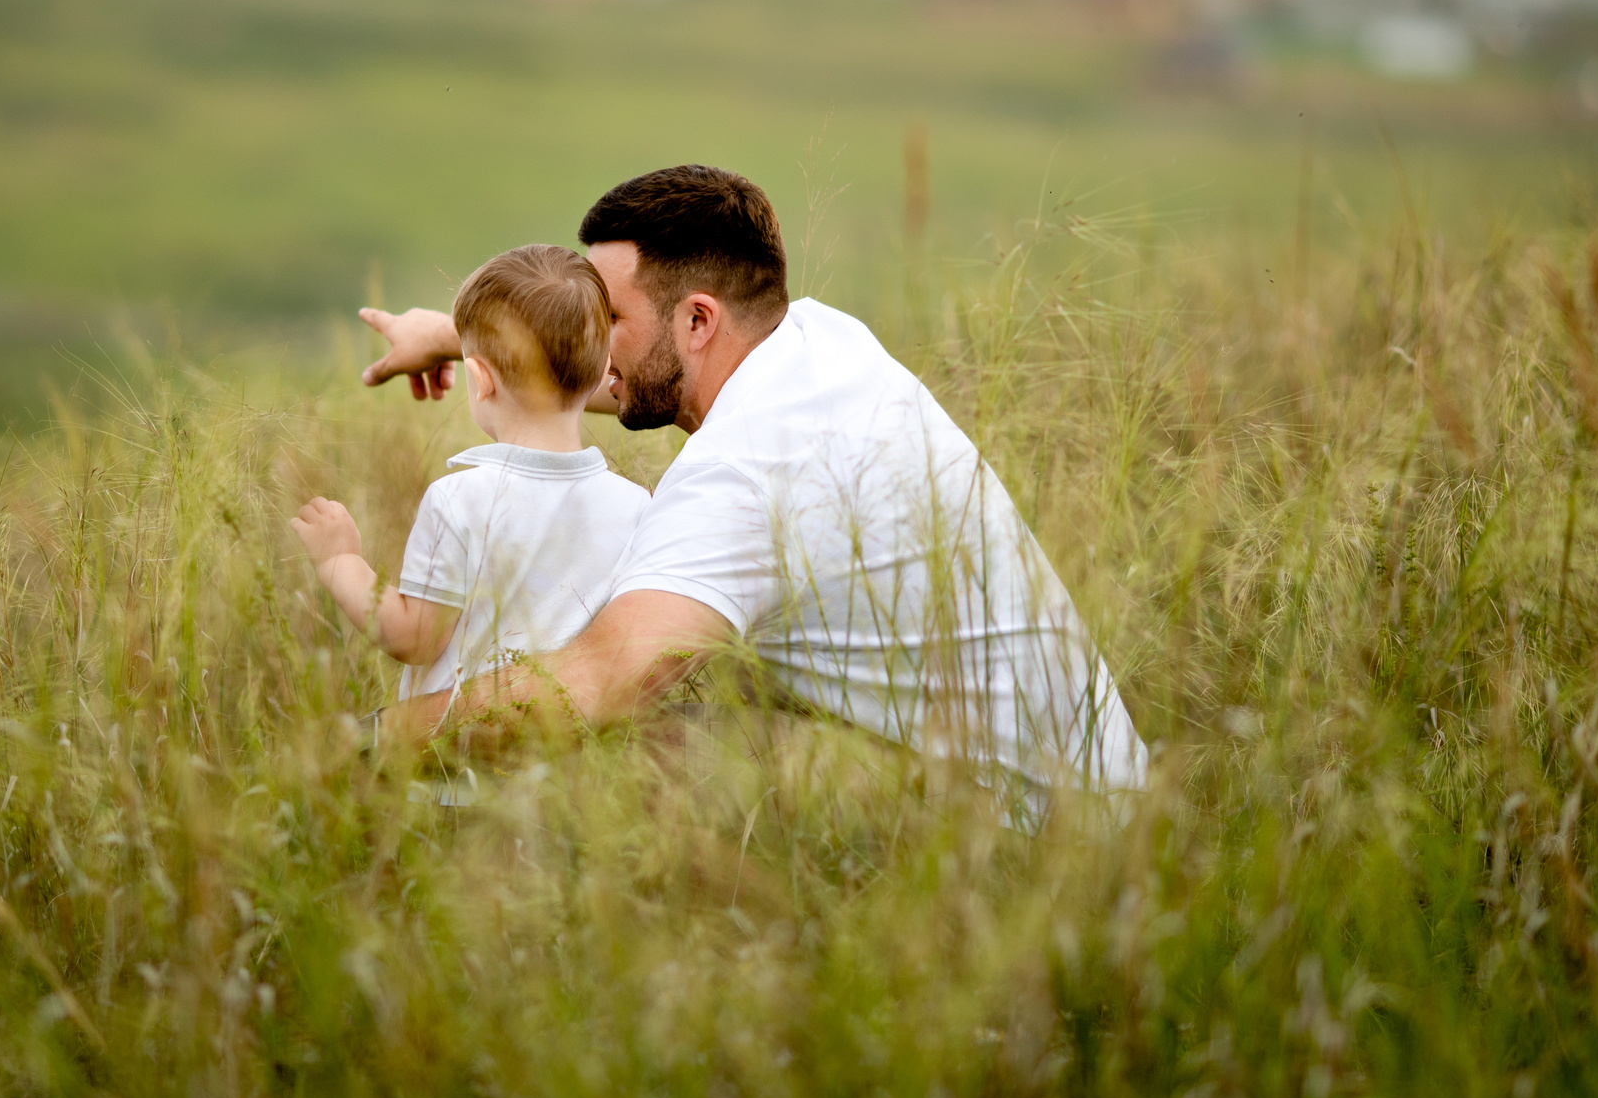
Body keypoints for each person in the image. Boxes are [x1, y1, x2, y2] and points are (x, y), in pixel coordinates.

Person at [353, 165, 1147, 806]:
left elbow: (596, 679)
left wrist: (357, 747)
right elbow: (636, 374)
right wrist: (467, 338)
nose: (591, 346)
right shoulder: (818, 343)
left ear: (697, 320)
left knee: (632, 739)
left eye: (606, 319)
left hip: (1023, 839)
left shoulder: (743, 469)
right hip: (1094, 802)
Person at [293, 243, 651, 714]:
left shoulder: (459, 499)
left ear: (480, 378)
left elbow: (414, 638)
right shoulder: (637, 504)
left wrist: (339, 561)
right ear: (605, 368)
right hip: (579, 767)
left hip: (463, 769)